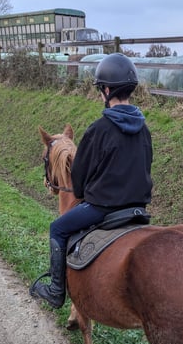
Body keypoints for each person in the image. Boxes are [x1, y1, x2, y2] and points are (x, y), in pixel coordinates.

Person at [29, 52, 153, 308]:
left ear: (106, 90)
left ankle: (55, 290)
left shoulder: (99, 129)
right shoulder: (144, 129)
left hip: (103, 208)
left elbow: (80, 180)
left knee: (58, 228)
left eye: (100, 90)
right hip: (137, 208)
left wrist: (91, 190)